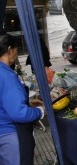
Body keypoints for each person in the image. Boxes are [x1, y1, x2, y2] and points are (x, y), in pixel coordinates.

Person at [0, 34, 45, 165]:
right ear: (10, 50)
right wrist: (40, 111)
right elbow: (19, 114)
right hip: (11, 136)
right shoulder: (7, 77)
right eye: (16, 49)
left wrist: (27, 103)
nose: (17, 53)